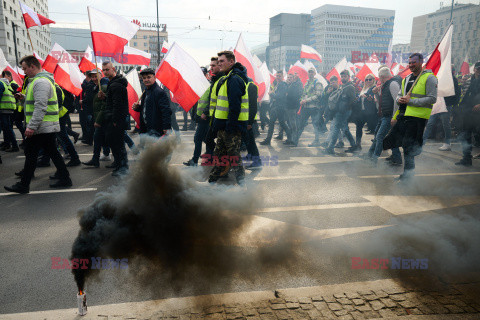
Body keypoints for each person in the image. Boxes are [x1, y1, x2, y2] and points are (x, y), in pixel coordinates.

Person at [4, 55, 72, 194]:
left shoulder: (40, 82)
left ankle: (24, 185)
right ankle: (64, 178)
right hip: (44, 126)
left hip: (42, 126)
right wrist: (22, 98)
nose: (23, 72)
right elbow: (35, 103)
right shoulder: (37, 81)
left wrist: (31, 126)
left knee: (32, 153)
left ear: (32, 66)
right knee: (49, 152)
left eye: (24, 68)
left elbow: (41, 106)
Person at [392, 53, 438, 181]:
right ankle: (408, 173)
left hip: (418, 118)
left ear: (421, 62)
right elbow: (399, 95)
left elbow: (432, 98)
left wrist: (410, 101)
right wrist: (399, 99)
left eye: (414, 62)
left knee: (409, 147)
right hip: (404, 116)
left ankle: (408, 176)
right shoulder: (406, 78)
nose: (411, 65)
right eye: (410, 62)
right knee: (404, 146)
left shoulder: (429, 78)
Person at [208, 51, 248, 185]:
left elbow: (234, 107)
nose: (219, 64)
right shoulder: (227, 78)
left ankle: (242, 183)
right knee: (220, 155)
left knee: (233, 156)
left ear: (231, 62)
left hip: (230, 127)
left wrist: (230, 127)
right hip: (223, 126)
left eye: (222, 61)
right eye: (218, 62)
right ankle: (211, 181)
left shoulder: (234, 79)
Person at [184, 59, 220, 166]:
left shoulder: (208, 85)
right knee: (206, 138)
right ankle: (211, 155)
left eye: (202, 74)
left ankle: (195, 160)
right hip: (201, 116)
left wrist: (205, 112)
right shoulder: (198, 86)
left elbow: (211, 100)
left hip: (206, 116)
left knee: (198, 138)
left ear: (206, 74)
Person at [365, 67, 402, 164]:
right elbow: (379, 101)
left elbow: (397, 101)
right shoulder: (385, 85)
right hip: (384, 115)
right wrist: (376, 93)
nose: (378, 80)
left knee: (380, 136)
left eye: (379, 77)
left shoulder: (392, 84)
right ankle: (396, 158)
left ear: (382, 77)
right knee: (382, 135)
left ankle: (374, 158)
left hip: (389, 115)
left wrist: (394, 117)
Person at [99, 61, 129, 176]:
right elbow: (112, 101)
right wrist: (105, 97)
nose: (105, 72)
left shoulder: (116, 84)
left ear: (113, 69)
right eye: (104, 70)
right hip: (113, 118)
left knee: (118, 145)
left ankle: (123, 167)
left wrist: (115, 121)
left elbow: (118, 105)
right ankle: (118, 163)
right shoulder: (113, 83)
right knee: (115, 144)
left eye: (107, 69)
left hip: (115, 120)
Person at [423, 67, 460, 151]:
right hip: (437, 104)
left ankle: (447, 143)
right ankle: (422, 142)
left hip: (446, 105)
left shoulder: (452, 80)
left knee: (445, 124)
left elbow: (456, 93)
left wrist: (452, 104)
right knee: (430, 123)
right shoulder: (438, 78)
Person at [324, 70, 356, 154]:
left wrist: (345, 107)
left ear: (348, 77)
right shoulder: (342, 86)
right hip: (339, 111)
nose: (343, 78)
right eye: (342, 76)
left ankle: (330, 148)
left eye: (344, 76)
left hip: (344, 111)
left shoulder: (350, 87)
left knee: (335, 128)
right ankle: (354, 145)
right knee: (345, 129)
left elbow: (353, 100)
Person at [133, 68, 172, 137]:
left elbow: (166, 111)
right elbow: (147, 108)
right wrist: (138, 108)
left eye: (148, 77)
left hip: (156, 130)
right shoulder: (146, 91)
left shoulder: (159, 92)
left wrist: (166, 127)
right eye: (144, 78)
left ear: (154, 77)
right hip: (145, 129)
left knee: (155, 148)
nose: (146, 80)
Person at [82, 73, 110, 168]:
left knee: (113, 141)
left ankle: (120, 162)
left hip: (103, 120)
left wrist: (97, 120)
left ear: (101, 76)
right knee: (97, 139)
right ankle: (95, 160)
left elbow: (103, 106)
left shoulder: (103, 87)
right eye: (92, 77)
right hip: (98, 118)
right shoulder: (96, 87)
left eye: (95, 76)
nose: (94, 78)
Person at [455, 61, 480, 166]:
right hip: (467, 112)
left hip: (478, 113)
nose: (479, 71)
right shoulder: (469, 80)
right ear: (474, 69)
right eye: (478, 69)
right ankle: (466, 158)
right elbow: (463, 94)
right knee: (465, 135)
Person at [347, 74, 376, 153]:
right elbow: (359, 100)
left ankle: (376, 146)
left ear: (373, 80)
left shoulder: (374, 88)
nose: (368, 81)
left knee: (374, 129)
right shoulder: (364, 89)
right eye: (366, 79)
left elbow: (375, 99)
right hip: (362, 111)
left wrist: (370, 98)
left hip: (370, 112)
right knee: (358, 128)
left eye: (370, 79)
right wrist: (359, 97)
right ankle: (358, 145)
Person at [260, 71, 289, 145]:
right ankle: (290, 137)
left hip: (278, 107)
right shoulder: (279, 84)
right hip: (278, 107)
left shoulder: (282, 85)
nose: (278, 77)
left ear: (282, 77)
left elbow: (279, 96)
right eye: (277, 76)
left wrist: (271, 94)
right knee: (281, 123)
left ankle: (268, 140)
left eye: (279, 76)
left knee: (272, 123)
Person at [297, 68, 324, 146]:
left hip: (314, 107)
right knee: (301, 123)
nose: (310, 73)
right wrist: (302, 100)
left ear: (315, 73)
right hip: (306, 107)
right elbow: (303, 93)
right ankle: (295, 139)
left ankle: (316, 141)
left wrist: (306, 100)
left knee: (315, 124)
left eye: (312, 72)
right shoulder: (306, 83)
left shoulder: (318, 83)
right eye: (309, 72)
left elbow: (318, 95)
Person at [0, 73, 19, 152]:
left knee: (7, 128)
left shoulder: (1, 83)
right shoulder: (6, 83)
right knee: (7, 128)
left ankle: (14, 145)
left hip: (4, 108)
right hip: (9, 108)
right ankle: (8, 144)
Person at [285, 73, 303, 146]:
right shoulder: (288, 85)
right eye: (288, 77)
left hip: (292, 107)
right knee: (289, 123)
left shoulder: (294, 86)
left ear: (293, 79)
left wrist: (287, 94)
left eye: (290, 77)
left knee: (293, 124)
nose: (289, 78)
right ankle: (290, 139)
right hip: (288, 106)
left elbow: (295, 96)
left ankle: (294, 141)